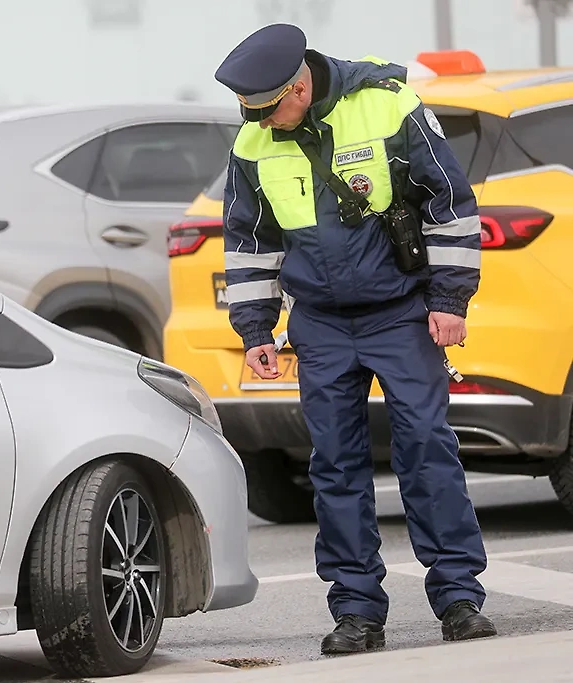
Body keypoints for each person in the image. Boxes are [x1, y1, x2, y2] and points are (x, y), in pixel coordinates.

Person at [213, 24, 496, 655]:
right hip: (319, 323)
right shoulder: (254, 141)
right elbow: (249, 240)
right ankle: (357, 611)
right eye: (249, 112)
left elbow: (450, 201)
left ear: (301, 84)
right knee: (335, 466)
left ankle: (458, 598)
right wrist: (256, 328)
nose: (261, 122)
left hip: (399, 310)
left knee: (426, 446)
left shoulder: (388, 104)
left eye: (268, 108)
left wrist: (449, 300)